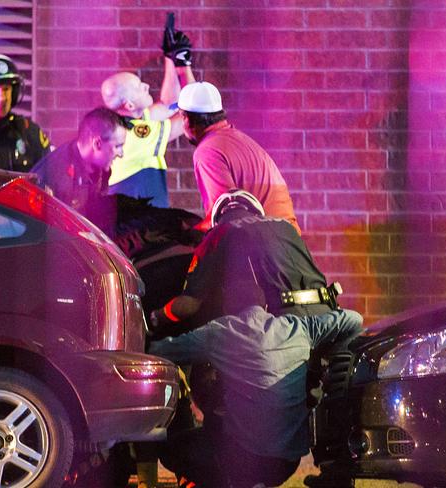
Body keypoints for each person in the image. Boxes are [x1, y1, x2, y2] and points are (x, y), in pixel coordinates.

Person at [148, 189, 363, 488]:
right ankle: (336, 472)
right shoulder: (286, 228)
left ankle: (228, 470)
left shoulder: (221, 233)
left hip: (279, 319)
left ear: (219, 216)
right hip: (322, 319)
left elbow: (189, 304)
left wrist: (155, 318)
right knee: (327, 398)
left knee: (224, 380)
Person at [173, 81, 301, 234]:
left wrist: (181, 236)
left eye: (181, 117)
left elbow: (224, 214)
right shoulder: (240, 139)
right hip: (287, 240)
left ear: (187, 119)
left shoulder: (207, 151)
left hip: (264, 244)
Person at [100, 14, 196, 208]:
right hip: (142, 225)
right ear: (129, 105)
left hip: (138, 218)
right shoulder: (137, 135)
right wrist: (183, 65)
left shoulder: (129, 121)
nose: (145, 85)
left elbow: (170, 103)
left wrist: (170, 56)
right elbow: (192, 111)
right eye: (138, 87)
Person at [31, 107, 128, 226]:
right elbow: (45, 232)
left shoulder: (100, 169)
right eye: (118, 146)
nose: (121, 153)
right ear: (97, 144)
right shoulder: (57, 177)